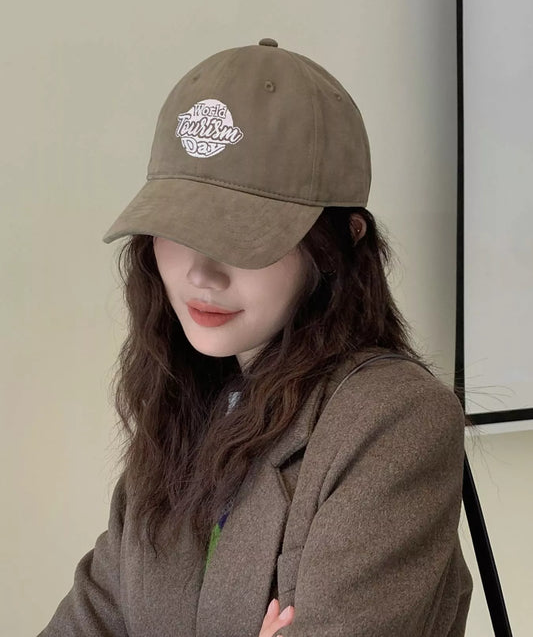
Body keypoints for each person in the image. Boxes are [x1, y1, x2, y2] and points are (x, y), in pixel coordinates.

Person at [38, 37, 474, 637]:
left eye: (242, 235)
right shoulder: (183, 412)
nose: (201, 274)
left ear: (339, 243)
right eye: (178, 227)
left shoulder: (394, 421)